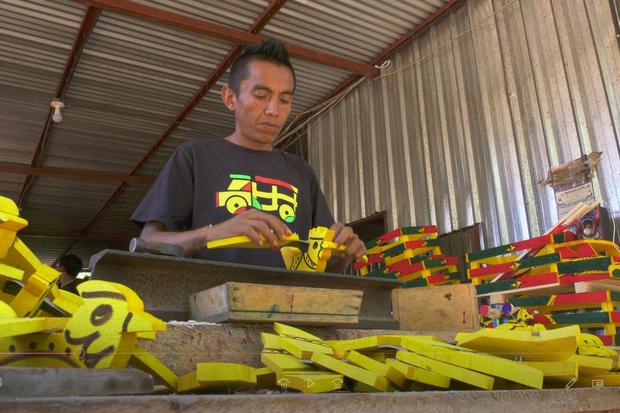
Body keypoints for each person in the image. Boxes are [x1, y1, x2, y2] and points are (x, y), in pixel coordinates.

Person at [131, 39, 365, 272]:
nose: (274, 110)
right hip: (213, 305)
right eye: (262, 96)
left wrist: (341, 253)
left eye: (284, 100)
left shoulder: (300, 171)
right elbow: (148, 243)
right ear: (230, 98)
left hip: (293, 306)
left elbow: (323, 267)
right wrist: (213, 233)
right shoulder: (195, 157)